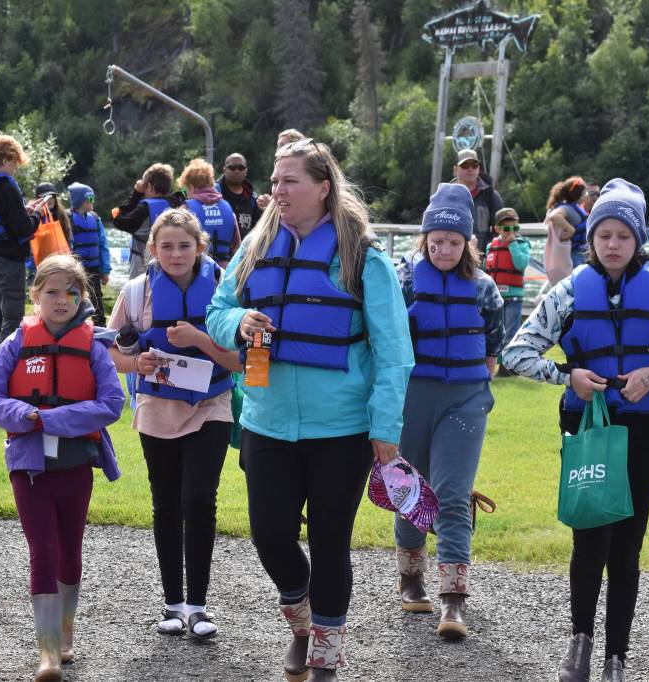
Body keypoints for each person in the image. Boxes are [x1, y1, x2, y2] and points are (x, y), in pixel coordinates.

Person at [206, 138, 414, 681]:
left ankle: (326, 645)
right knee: (269, 535)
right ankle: (302, 620)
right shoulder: (255, 245)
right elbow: (218, 310)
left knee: (329, 541)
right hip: (267, 420)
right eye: (274, 181)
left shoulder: (364, 257)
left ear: (323, 188)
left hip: (341, 429)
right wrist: (239, 323)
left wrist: (385, 431)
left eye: (289, 181)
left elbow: (395, 355)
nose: (277, 190)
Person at [502, 179, 649, 682]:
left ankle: (615, 658)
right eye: (603, 234)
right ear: (592, 239)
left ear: (638, 239)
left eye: (623, 235)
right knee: (589, 541)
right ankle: (579, 645)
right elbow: (517, 352)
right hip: (586, 428)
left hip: (645, 433)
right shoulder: (568, 291)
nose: (612, 244)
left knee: (626, 547)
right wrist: (567, 376)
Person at [0, 254, 124, 682]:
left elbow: (112, 404)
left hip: (76, 464)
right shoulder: (16, 343)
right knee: (42, 550)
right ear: (35, 296)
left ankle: (65, 632)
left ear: (83, 298)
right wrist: (24, 416)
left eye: (71, 293)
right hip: (29, 465)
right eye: (52, 292)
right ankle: (47, 654)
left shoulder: (94, 346)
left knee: (70, 548)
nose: (62, 300)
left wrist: (52, 419)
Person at [107, 208, 242, 640]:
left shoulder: (224, 286)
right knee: (166, 503)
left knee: (199, 499)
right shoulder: (135, 292)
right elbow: (110, 351)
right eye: (166, 245)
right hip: (157, 406)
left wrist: (201, 339)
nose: (176, 253)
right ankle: (172, 604)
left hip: (211, 403)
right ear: (153, 249)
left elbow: (241, 360)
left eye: (185, 245)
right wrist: (136, 362)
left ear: (200, 247)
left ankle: (199, 606)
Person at [394, 183, 502, 640]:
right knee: (410, 490)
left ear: (468, 244)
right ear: (424, 240)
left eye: (453, 242)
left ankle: (453, 601)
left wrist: (484, 374)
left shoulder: (482, 286)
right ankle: (411, 579)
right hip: (413, 396)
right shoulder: (403, 279)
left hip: (465, 398)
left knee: (453, 494)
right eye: (435, 241)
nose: (443, 249)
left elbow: (495, 337)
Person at [0, 133, 44, 368]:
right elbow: (23, 229)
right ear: (6, 159)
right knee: (12, 320)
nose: (16, 167)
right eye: (15, 162)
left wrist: (24, 210)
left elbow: (6, 217)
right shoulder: (5, 185)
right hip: (8, 262)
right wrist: (37, 214)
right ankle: (0, 378)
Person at [112, 163, 181, 279]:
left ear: (148, 186)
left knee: (139, 295)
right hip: (169, 263)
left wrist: (136, 194)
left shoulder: (144, 208)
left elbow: (119, 221)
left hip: (142, 266)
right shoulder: (175, 204)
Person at [485, 207, 530, 374]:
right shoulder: (491, 246)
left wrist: (512, 245)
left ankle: (507, 366)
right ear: (497, 229)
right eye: (506, 228)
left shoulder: (522, 244)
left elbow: (521, 264)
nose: (511, 232)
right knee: (495, 330)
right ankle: (493, 362)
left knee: (511, 331)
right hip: (495, 297)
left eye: (515, 228)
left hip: (514, 297)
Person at [179, 158, 242, 265]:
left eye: (186, 190)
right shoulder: (227, 207)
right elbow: (238, 247)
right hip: (223, 272)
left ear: (191, 188)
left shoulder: (185, 210)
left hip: (196, 270)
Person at [67, 183, 111, 327]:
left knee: (96, 299)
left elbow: (103, 246)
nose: (93, 201)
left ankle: (100, 326)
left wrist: (105, 270)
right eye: (90, 198)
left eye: (93, 198)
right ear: (80, 201)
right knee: (75, 298)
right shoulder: (68, 219)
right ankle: (75, 326)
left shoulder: (95, 220)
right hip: (76, 270)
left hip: (94, 269)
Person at [450, 149, 504, 252]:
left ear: (479, 168)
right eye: (465, 165)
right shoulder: (445, 196)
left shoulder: (491, 196)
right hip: (452, 257)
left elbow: (502, 229)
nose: (470, 169)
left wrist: (487, 250)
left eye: (474, 165)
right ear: (455, 170)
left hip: (482, 259)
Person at [544, 176, 589, 268]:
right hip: (575, 255)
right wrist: (570, 230)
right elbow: (554, 216)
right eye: (584, 193)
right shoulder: (567, 208)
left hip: (581, 253)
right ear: (578, 194)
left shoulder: (575, 208)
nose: (586, 195)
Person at [257, 130, 307, 211]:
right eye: (275, 182)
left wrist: (272, 207)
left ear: (297, 146)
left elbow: (298, 208)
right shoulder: (278, 169)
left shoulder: (304, 169)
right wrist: (270, 204)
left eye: (282, 145)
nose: (278, 150)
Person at [216, 152, 262, 235]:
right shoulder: (214, 194)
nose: (236, 171)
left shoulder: (253, 199)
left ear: (246, 171)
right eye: (232, 167)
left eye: (241, 168)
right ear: (224, 170)